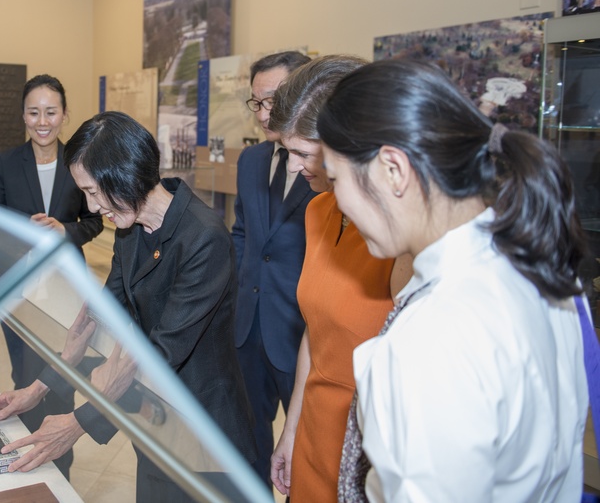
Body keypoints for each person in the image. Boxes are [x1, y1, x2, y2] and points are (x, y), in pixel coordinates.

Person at [317, 59, 588, 500]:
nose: (338, 203)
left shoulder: (430, 337)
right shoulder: (542, 269)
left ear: (393, 170)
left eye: (335, 179)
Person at [0, 111, 257, 500]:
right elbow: (96, 319)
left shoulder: (203, 238)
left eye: (93, 192)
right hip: (156, 424)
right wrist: (38, 388)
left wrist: (78, 423)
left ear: (125, 174)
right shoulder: (130, 230)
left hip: (205, 437)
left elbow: (156, 355)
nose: (91, 208)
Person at [265, 56, 412, 502]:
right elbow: (316, 325)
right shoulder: (318, 211)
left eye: (304, 154)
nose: (291, 168)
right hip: (314, 426)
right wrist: (291, 429)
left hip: (370, 441)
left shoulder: (401, 238)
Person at [0, 74, 104, 478]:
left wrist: (64, 230)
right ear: (23, 115)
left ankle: (59, 473)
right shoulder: (4, 162)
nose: (42, 121)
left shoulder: (81, 162)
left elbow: (94, 220)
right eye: (34, 112)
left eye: (51, 112)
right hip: (17, 291)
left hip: (65, 292)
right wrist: (26, 227)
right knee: (24, 378)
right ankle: (30, 469)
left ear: (65, 115)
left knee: (62, 380)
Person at [231, 50, 315, 482]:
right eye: (257, 103)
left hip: (302, 334)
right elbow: (243, 233)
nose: (265, 114)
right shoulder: (251, 161)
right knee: (251, 445)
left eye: (274, 101)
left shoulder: (324, 167)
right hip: (248, 330)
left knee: (304, 454)